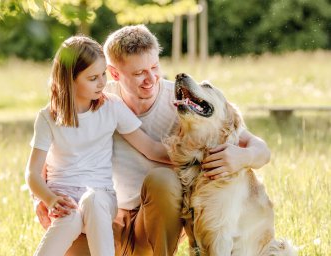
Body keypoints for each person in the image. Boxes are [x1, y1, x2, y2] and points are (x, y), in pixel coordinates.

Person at [35, 25, 271, 256]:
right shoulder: (97, 99)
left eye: (154, 67)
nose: (151, 79)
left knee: (163, 179)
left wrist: (244, 156)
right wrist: (40, 199)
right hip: (105, 217)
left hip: (154, 222)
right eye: (138, 73)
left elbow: (260, 149)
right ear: (114, 73)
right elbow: (56, 153)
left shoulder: (184, 103)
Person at [25, 35, 171, 256]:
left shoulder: (111, 107)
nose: (103, 83)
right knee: (70, 220)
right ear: (69, 79)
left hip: (101, 197)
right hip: (64, 201)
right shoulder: (48, 118)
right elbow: (33, 173)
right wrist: (49, 199)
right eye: (93, 78)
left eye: (103, 74)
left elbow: (150, 149)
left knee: (92, 200)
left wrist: (198, 153)